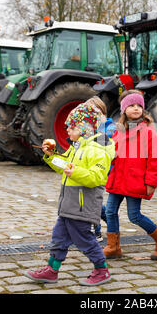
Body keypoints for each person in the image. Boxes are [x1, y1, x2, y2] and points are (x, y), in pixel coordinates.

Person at [24, 103, 115, 286]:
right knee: (58, 238)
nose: (68, 130)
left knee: (84, 239)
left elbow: (97, 177)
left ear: (84, 128)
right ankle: (52, 270)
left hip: (83, 205)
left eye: (71, 127)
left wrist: (75, 172)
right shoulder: (78, 146)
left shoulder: (98, 148)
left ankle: (101, 270)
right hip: (69, 204)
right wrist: (51, 156)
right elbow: (66, 164)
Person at [103, 91, 157, 260]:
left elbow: (156, 159)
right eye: (131, 105)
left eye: (139, 106)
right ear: (123, 110)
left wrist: (151, 182)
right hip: (118, 180)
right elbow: (112, 152)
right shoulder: (118, 131)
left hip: (135, 181)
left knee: (134, 215)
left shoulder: (148, 132)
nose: (136, 108)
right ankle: (113, 247)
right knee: (110, 212)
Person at [84, 96, 117, 241]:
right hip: (87, 169)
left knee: (93, 201)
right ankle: (110, 222)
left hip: (102, 170)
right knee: (91, 201)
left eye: (96, 113)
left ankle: (96, 230)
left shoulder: (110, 128)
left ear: (103, 113)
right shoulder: (87, 129)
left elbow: (109, 147)